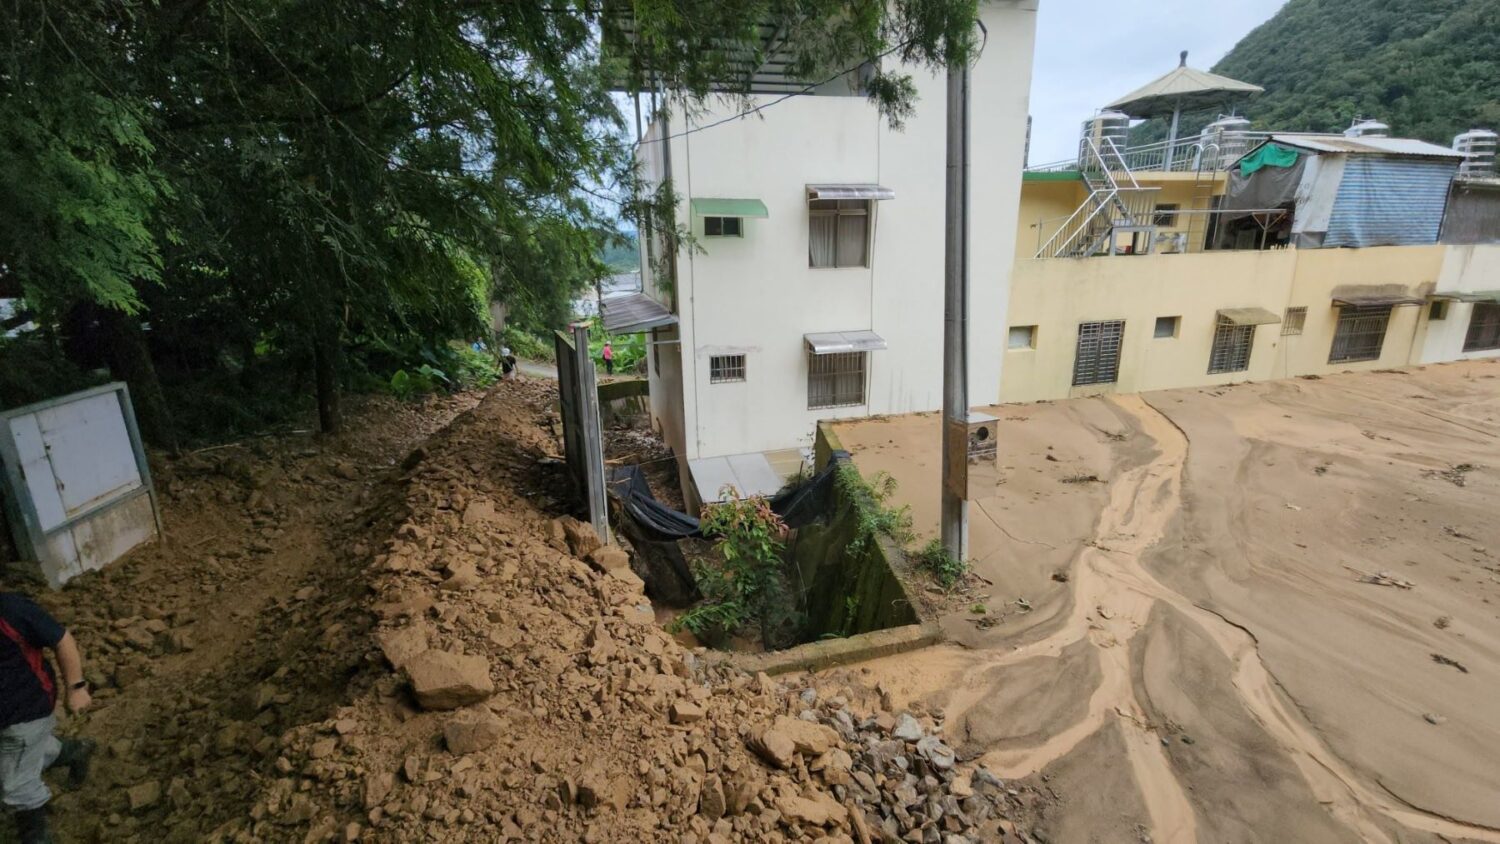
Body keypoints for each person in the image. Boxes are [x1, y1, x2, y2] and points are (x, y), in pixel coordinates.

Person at [1, 592, 95, 843]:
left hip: (25, 710)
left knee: (17, 785)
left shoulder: (10, 609)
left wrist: (76, 688)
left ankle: (35, 834)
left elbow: (62, 639)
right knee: (25, 754)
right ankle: (75, 750)